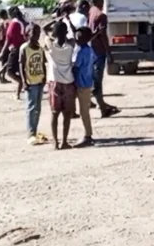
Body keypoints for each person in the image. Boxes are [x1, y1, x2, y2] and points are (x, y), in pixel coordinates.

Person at [44, 20, 78, 150]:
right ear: (66, 33)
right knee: (67, 114)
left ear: (54, 33)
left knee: (54, 114)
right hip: (69, 82)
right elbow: (75, 35)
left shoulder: (51, 46)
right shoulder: (70, 46)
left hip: (55, 83)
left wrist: (55, 19)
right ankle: (64, 141)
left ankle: (55, 143)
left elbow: (44, 29)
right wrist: (68, 19)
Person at [88, 0, 120, 115]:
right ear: (99, 0)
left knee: (95, 79)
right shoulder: (101, 15)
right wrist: (108, 51)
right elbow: (103, 35)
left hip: (92, 49)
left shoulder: (91, 12)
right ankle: (102, 108)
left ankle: (101, 105)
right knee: (98, 80)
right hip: (99, 50)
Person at [19, 23, 48, 145]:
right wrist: (24, 81)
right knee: (31, 108)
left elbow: (42, 63)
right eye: (33, 33)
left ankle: (35, 131)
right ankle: (30, 134)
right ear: (27, 33)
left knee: (38, 108)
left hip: (39, 80)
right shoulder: (24, 48)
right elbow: (21, 65)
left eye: (38, 33)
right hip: (30, 82)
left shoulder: (40, 49)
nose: (36, 35)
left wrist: (45, 77)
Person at [71, 27, 96, 148]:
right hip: (88, 82)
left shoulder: (80, 52)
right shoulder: (90, 50)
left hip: (81, 83)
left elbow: (76, 66)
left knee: (84, 112)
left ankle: (88, 136)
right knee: (84, 110)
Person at [0, 7, 27, 98]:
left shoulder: (14, 23)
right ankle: (18, 94)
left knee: (10, 71)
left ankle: (23, 83)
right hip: (23, 48)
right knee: (21, 70)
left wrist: (2, 53)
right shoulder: (23, 22)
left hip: (16, 49)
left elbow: (8, 39)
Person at [0, 9, 11, 84]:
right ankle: (0, 74)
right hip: (4, 45)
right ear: (5, 14)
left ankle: (2, 77)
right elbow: (8, 34)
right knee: (9, 61)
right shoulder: (5, 23)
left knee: (4, 61)